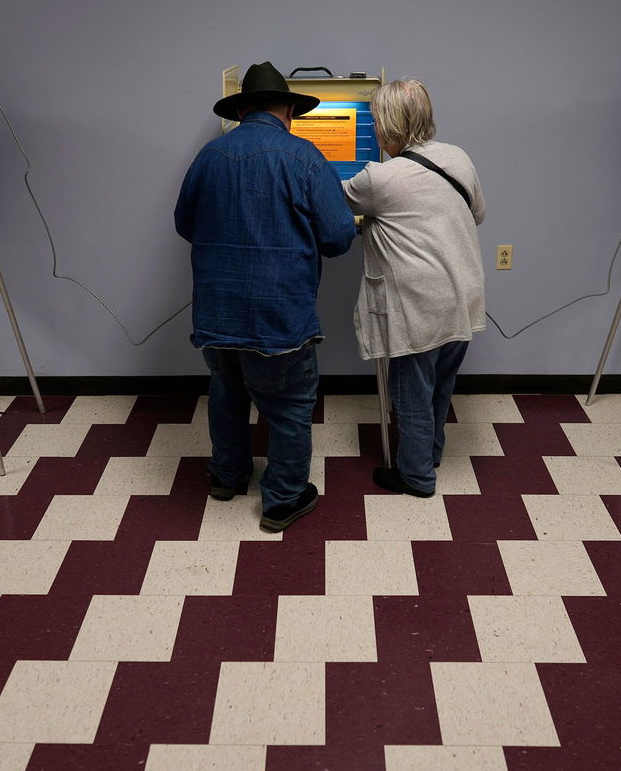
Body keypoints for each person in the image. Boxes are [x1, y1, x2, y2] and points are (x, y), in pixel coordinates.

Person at [175, 62, 356, 532]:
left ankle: (227, 477)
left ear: (240, 109)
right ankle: (282, 499)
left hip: (216, 310)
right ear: (291, 108)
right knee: (290, 405)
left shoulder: (209, 156)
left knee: (227, 392)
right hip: (279, 314)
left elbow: (184, 225)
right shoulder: (305, 157)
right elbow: (338, 238)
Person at [343, 78, 486, 497]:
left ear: (387, 128)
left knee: (411, 395)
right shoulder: (458, 157)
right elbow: (476, 213)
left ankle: (416, 477)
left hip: (418, 305)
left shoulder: (378, 178)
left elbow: (328, 201)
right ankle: (430, 453)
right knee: (440, 385)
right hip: (462, 295)